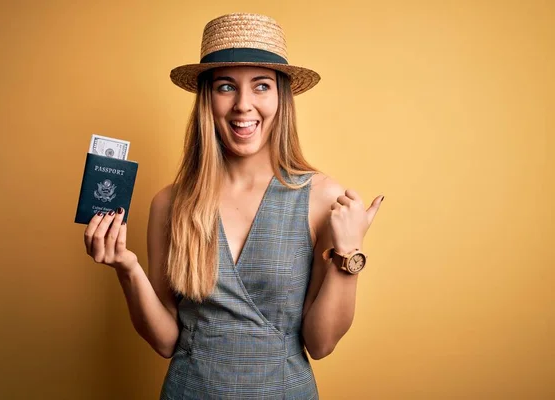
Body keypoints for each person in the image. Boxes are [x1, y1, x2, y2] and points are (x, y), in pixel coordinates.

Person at [83, 12, 384, 400]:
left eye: (261, 86)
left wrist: (349, 255)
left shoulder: (321, 197)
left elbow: (321, 344)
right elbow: (165, 341)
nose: (243, 105)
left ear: (281, 98)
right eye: (226, 86)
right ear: (207, 97)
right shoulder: (169, 204)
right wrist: (127, 269)